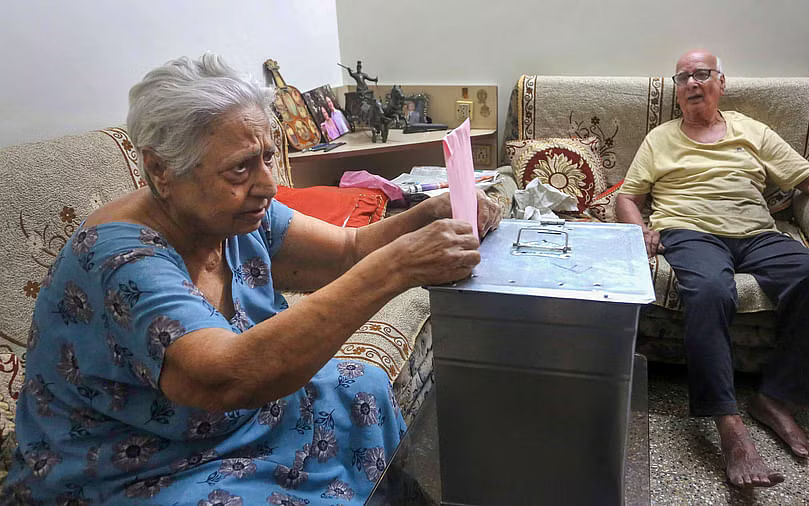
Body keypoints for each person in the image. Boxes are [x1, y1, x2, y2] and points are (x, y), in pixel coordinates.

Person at [2, 53, 500, 504]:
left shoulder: (235, 214)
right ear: (160, 170)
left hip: (235, 427)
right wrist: (395, 268)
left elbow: (347, 250)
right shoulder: (120, 260)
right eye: (240, 168)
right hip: (139, 463)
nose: (267, 184)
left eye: (266, 157)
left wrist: (426, 213)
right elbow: (228, 378)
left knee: (360, 388)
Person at [616, 49, 809, 489]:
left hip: (757, 234)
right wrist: (639, 231)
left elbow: (806, 177)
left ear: (721, 83)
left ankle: (776, 398)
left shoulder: (751, 131)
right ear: (677, 90)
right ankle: (728, 423)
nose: (692, 83)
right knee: (710, 291)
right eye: (683, 78)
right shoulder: (661, 138)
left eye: (702, 74)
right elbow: (628, 197)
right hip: (690, 231)